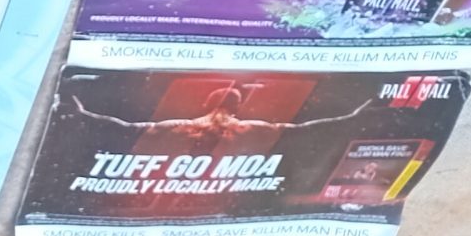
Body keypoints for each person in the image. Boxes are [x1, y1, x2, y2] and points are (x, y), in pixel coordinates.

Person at [68, 83, 374, 153]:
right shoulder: (251, 128)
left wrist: (81, 114)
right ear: (239, 106)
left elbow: (125, 129)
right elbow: (303, 130)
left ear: (205, 101)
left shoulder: (181, 126)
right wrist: (351, 118)